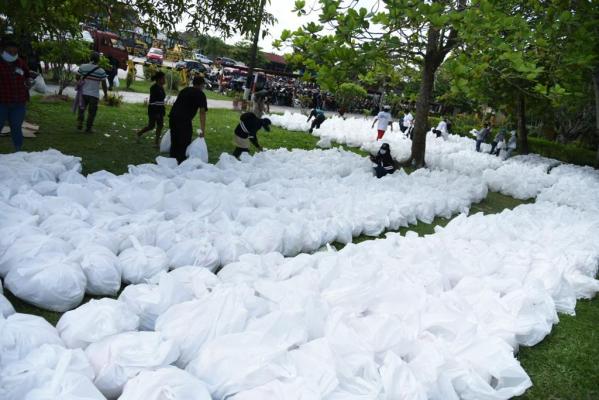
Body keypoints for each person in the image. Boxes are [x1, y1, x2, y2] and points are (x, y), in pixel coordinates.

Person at [0, 39, 31, 151]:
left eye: (15, 52)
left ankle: (18, 151)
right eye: (10, 52)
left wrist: (29, 81)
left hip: (19, 103)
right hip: (2, 102)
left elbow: (27, 75)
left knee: (16, 127)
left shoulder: (20, 62)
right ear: (2, 50)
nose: (13, 54)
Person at [169, 75, 208, 164]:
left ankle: (172, 160)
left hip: (173, 117)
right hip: (184, 120)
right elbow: (202, 112)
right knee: (184, 141)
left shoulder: (185, 90)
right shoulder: (200, 94)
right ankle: (180, 162)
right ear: (202, 85)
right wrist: (202, 129)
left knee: (175, 140)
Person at [75, 52, 108, 133]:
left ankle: (80, 122)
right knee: (92, 112)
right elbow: (104, 84)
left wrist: (81, 81)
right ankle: (88, 128)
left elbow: (77, 76)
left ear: (90, 58)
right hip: (94, 95)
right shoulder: (101, 71)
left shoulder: (83, 67)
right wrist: (106, 94)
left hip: (83, 93)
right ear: (98, 60)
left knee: (81, 109)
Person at [136, 71, 166, 147]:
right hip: (154, 109)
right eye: (163, 78)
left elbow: (161, 100)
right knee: (151, 126)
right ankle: (139, 133)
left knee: (160, 125)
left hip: (160, 109)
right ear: (159, 79)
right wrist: (156, 113)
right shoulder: (154, 88)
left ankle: (156, 142)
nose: (165, 80)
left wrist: (162, 110)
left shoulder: (161, 88)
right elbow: (153, 101)